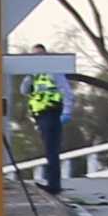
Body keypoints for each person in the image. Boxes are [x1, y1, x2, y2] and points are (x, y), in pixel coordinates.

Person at [23, 45, 68, 193]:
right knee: (49, 150)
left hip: (52, 113)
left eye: (40, 55)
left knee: (52, 150)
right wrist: (29, 77)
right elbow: (24, 91)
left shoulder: (53, 72)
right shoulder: (33, 74)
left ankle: (54, 185)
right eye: (34, 56)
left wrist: (66, 112)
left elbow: (66, 92)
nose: (37, 59)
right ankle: (53, 183)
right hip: (40, 115)